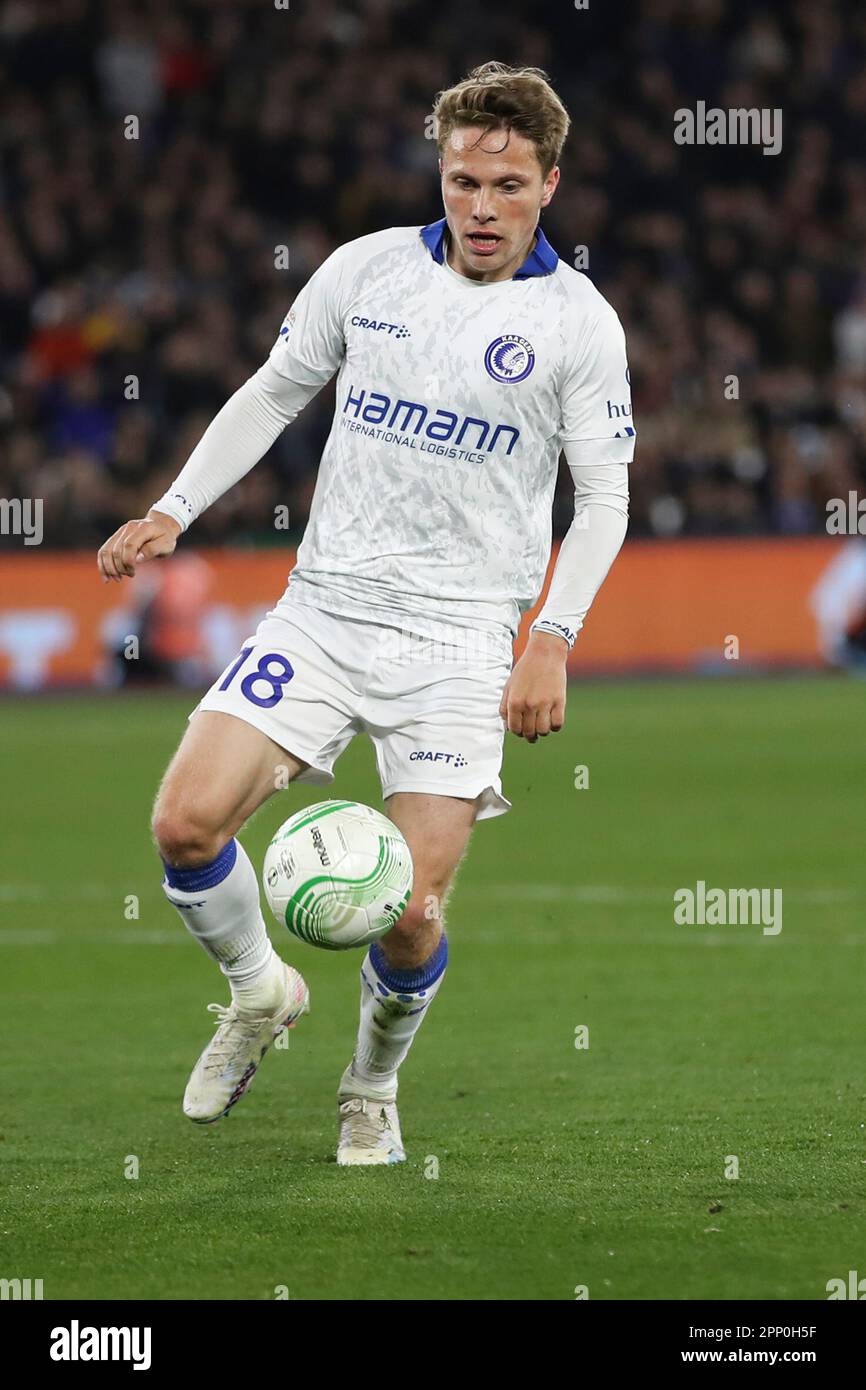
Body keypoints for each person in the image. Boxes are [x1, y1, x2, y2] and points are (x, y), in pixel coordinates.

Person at [97, 62, 635, 1165]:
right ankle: (258, 992)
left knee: (410, 909)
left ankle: (370, 1086)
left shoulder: (576, 324)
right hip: (326, 609)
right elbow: (274, 388)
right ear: (438, 174)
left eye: (506, 184)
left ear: (549, 186)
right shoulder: (366, 272)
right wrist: (174, 506)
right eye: (460, 179)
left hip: (458, 638)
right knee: (184, 824)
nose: (480, 206)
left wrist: (549, 637)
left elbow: (606, 500)